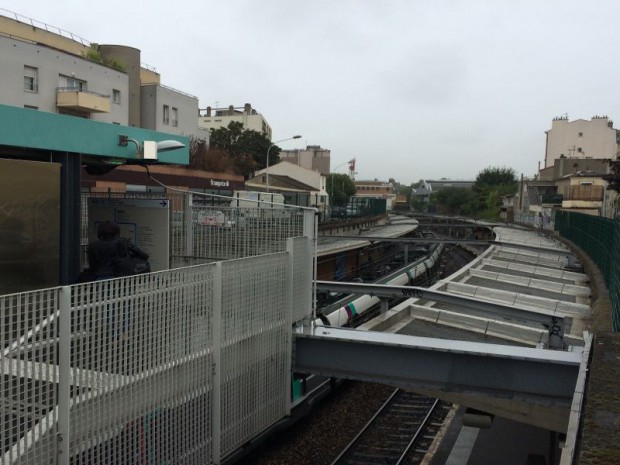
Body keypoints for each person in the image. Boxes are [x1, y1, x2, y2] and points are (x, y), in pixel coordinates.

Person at [85, 220, 149, 280]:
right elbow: (145, 255)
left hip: (100, 279)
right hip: (120, 278)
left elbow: (92, 265)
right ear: (117, 231)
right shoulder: (123, 242)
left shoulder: (93, 246)